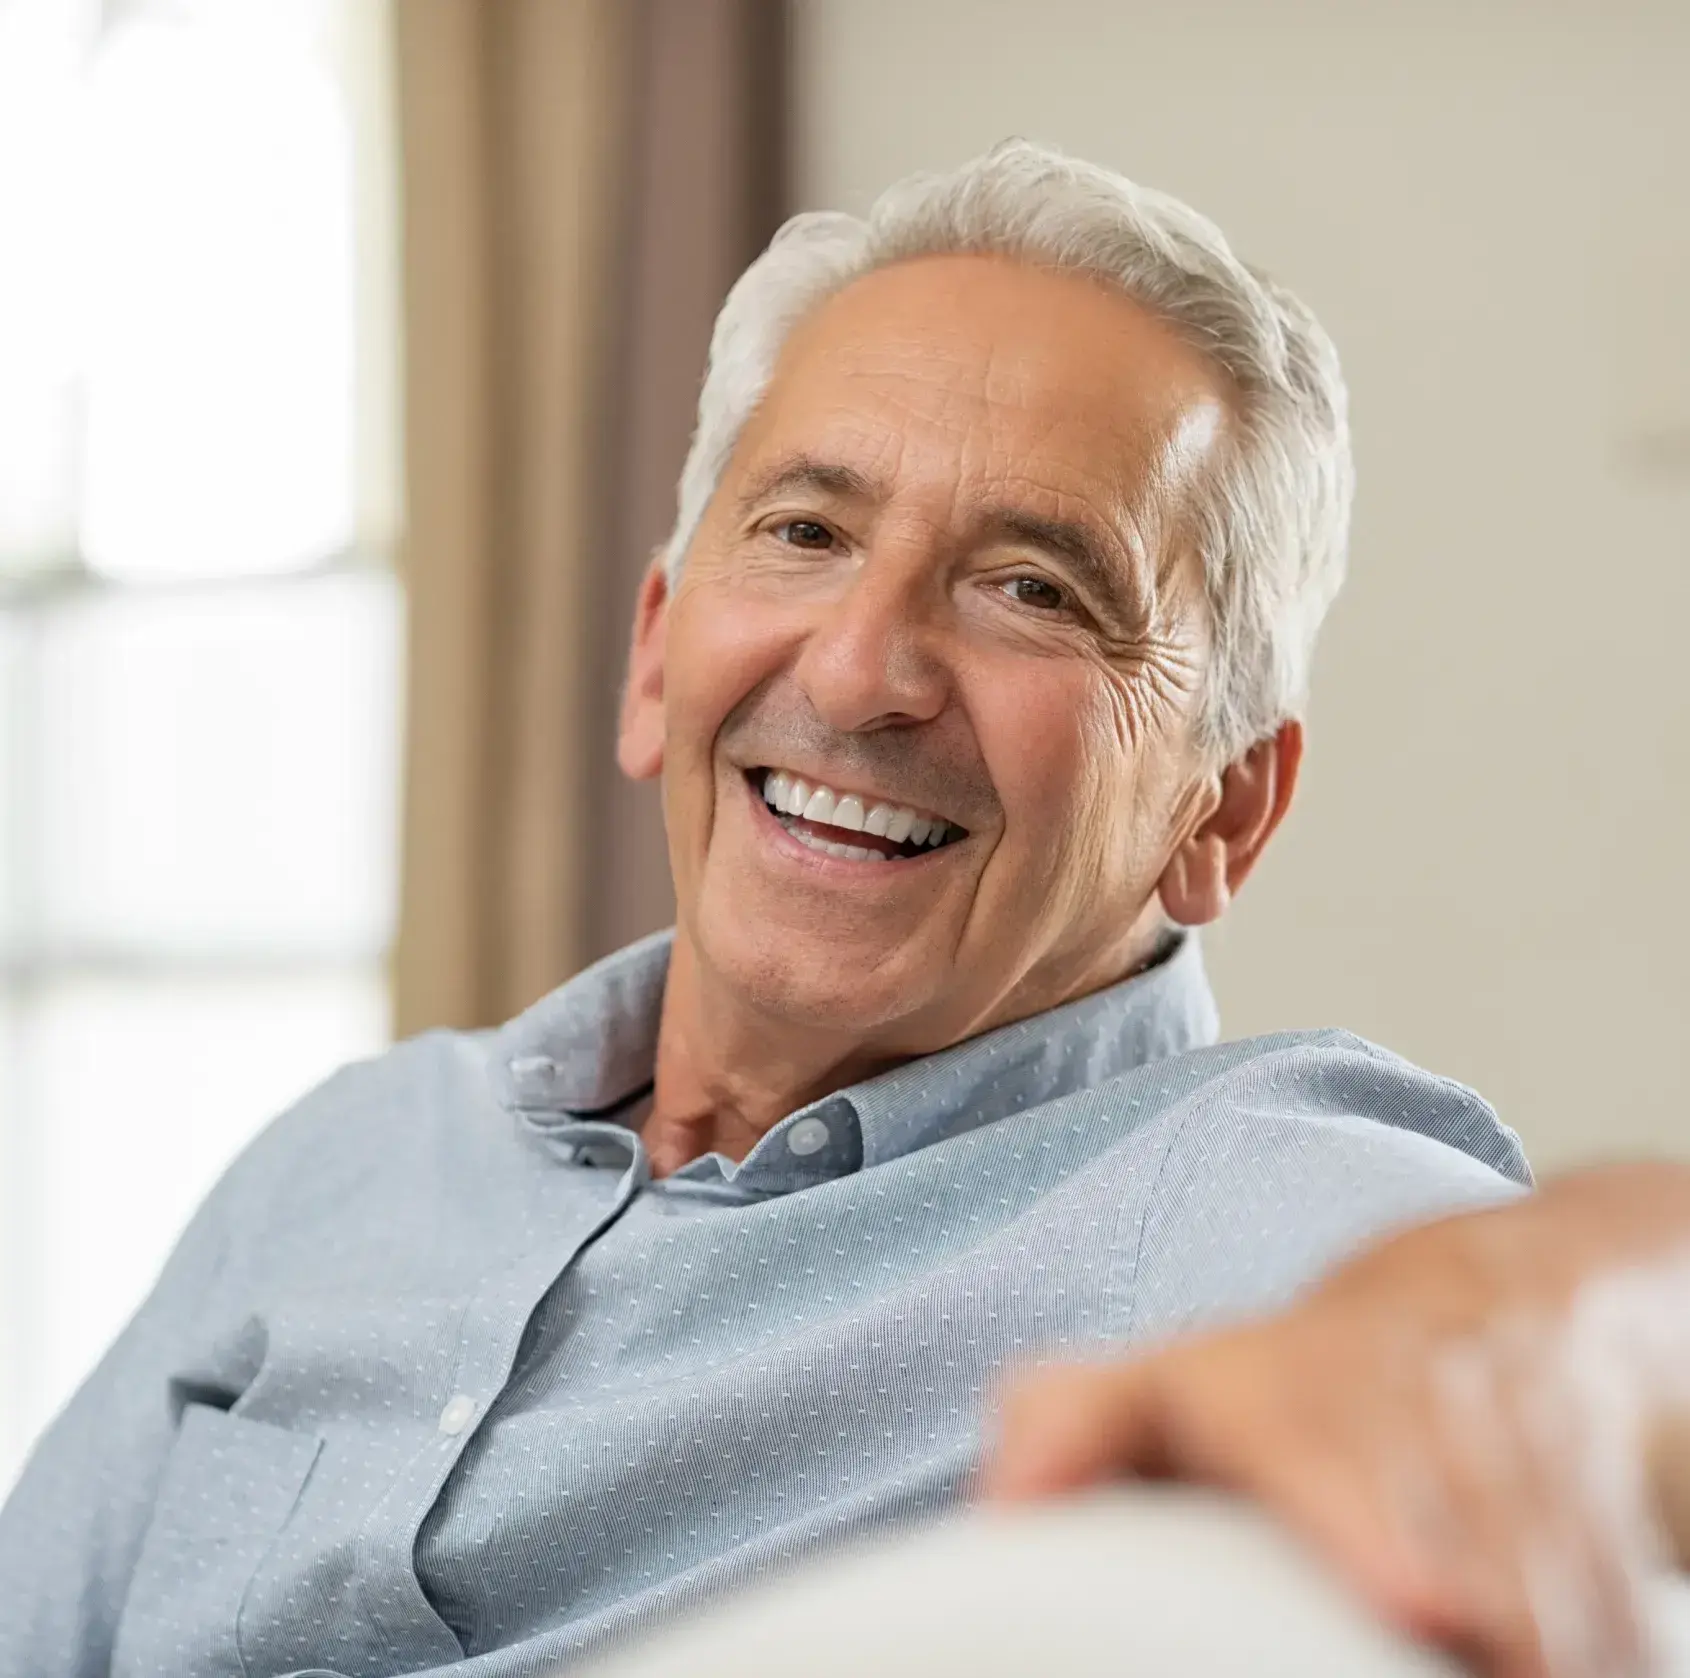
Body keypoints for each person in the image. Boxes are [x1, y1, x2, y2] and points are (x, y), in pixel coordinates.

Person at [0, 138, 1573, 1677]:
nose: (856, 671)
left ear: (1219, 807)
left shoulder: (1233, 1193)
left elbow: (1593, 1343)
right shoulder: (347, 1154)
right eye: (806, 532)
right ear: (652, 654)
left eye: (1033, 586)